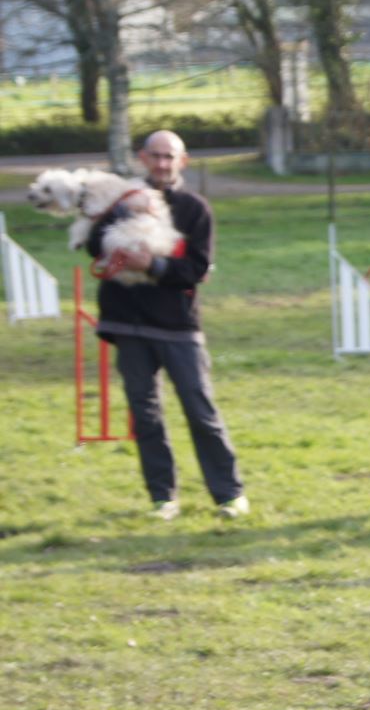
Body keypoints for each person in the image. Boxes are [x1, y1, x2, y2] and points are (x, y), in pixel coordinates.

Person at [85, 130, 248, 520]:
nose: (161, 163)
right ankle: (163, 498)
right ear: (142, 158)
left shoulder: (195, 208)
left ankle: (229, 494)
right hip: (127, 323)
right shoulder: (120, 200)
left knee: (200, 410)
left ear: (182, 161)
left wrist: (153, 266)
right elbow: (94, 244)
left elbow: (196, 268)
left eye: (169, 157)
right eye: (155, 156)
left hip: (177, 325)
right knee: (145, 415)